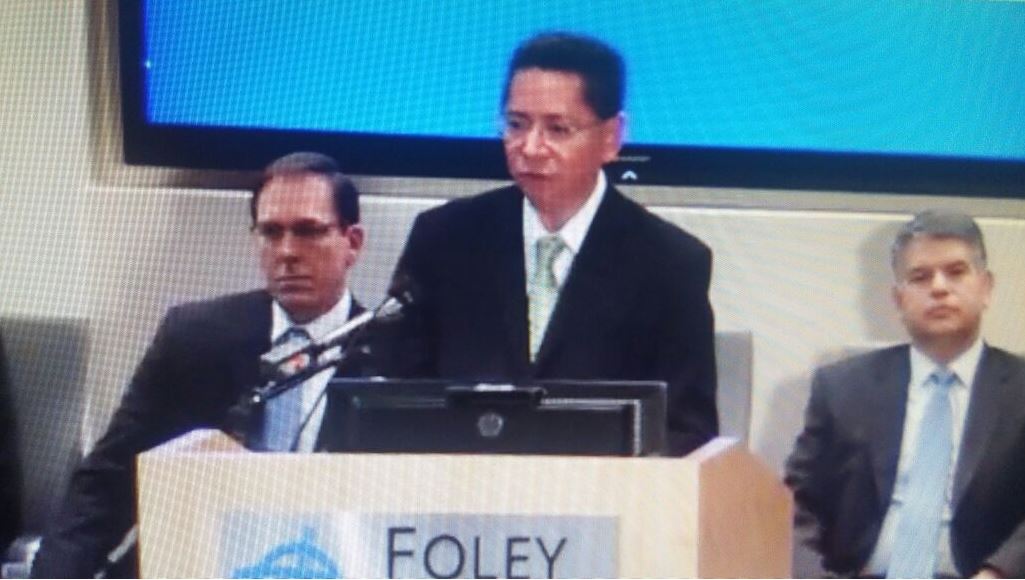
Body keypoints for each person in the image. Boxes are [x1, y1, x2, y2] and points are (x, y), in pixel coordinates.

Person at [32, 152, 368, 578]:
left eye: (307, 231)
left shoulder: (392, 354)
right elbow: (109, 480)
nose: (286, 252)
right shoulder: (195, 337)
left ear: (352, 242)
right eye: (270, 232)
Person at [387, 32, 717, 455]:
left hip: (601, 491)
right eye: (516, 125)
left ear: (612, 137)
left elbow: (688, 431)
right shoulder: (445, 238)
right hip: (460, 486)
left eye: (557, 129)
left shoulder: (669, 263)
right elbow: (394, 398)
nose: (530, 148)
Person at [785, 210, 1025, 578]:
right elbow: (794, 504)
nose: (939, 288)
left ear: (986, 288)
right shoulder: (842, 388)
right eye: (920, 277)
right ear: (899, 299)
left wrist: (998, 573)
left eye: (956, 272)